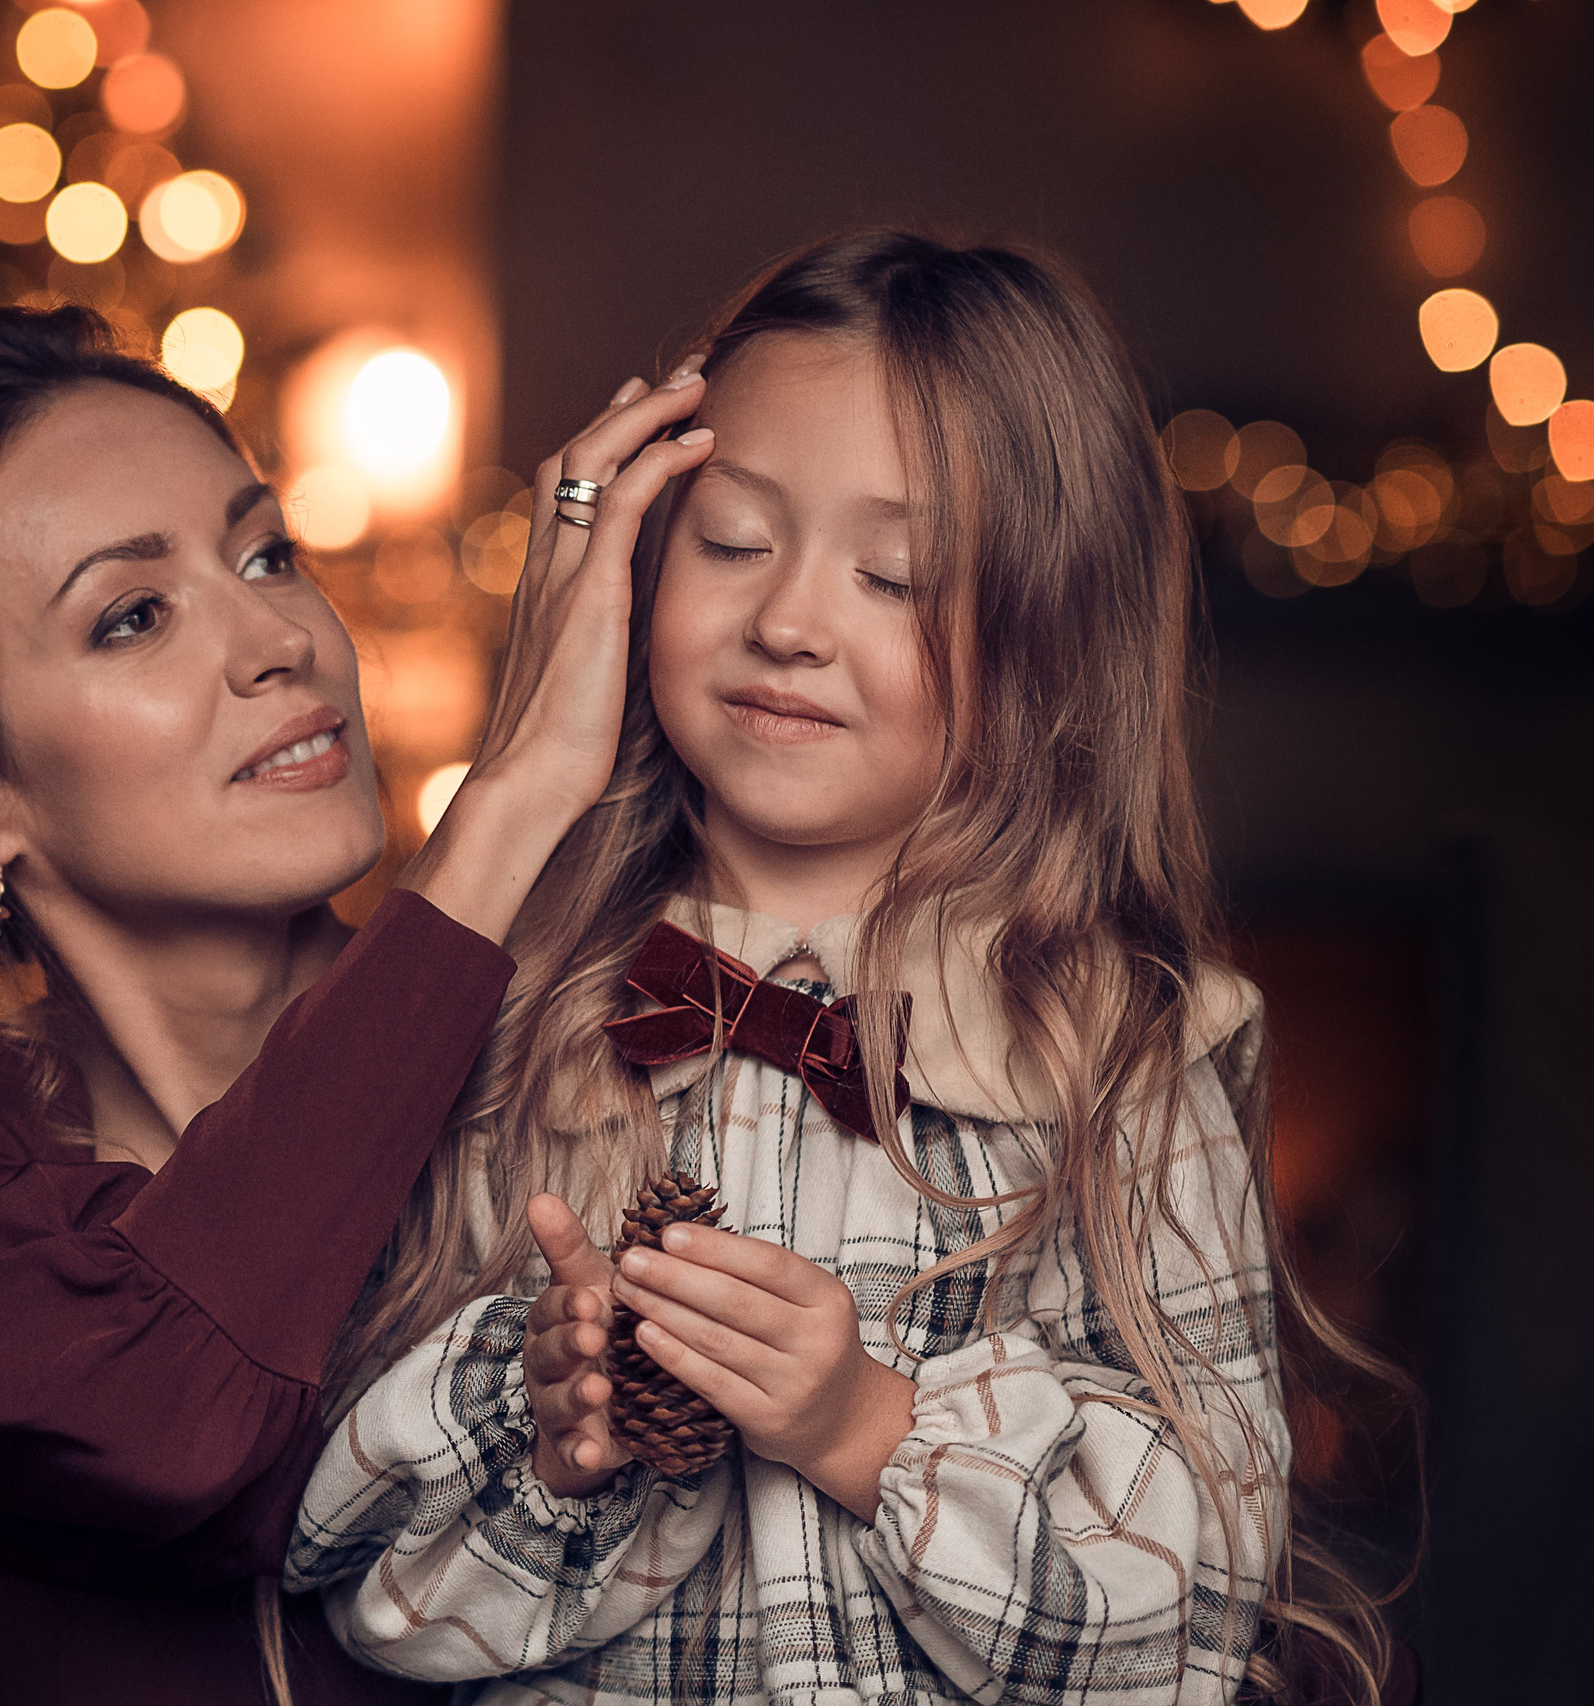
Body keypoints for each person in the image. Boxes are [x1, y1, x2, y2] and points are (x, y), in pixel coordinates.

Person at [290, 232, 1411, 1705]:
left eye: (894, 574)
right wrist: (555, 1435)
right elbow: (354, 1582)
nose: (788, 620)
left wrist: (868, 1426)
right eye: (735, 539)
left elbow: (1195, 1611)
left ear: (1049, 643)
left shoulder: (1131, 1048)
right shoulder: (523, 1000)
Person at [0, 304, 716, 1705]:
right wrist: (513, 794)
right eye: (134, 615)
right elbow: (164, 1407)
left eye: (268, 554)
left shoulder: (594, 1029)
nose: (279, 639)